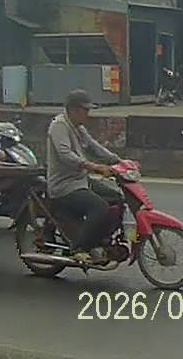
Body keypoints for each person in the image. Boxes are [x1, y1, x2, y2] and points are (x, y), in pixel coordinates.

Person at [46, 89, 125, 264]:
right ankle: (79, 248)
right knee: (100, 207)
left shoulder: (78, 127)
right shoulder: (59, 126)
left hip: (80, 180)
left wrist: (119, 161)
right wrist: (94, 166)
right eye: (85, 110)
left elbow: (94, 147)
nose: (88, 114)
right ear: (73, 110)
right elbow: (65, 155)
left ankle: (100, 239)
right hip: (64, 185)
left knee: (117, 198)